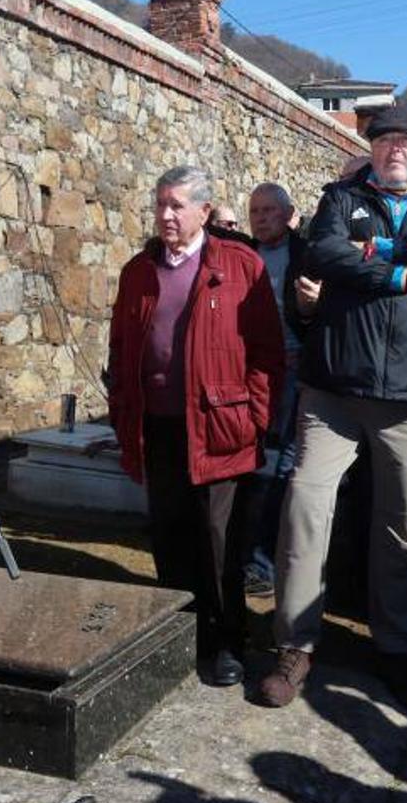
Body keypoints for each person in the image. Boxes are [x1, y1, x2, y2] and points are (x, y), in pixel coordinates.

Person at [260, 105, 407, 708]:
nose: (394, 151)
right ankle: (295, 642)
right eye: (384, 141)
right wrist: (402, 277)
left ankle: (395, 645)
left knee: (400, 528)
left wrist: (379, 245)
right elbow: (323, 254)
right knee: (305, 507)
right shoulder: (341, 196)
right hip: (333, 388)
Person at [106, 166, 284, 687]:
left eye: (177, 205)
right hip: (158, 425)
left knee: (219, 540)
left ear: (204, 211)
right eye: (160, 203)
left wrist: (255, 416)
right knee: (169, 534)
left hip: (220, 426)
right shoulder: (138, 270)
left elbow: (268, 353)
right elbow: (121, 349)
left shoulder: (240, 265)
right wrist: (122, 411)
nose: (166, 214)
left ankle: (227, 641)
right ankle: (178, 636)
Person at [241, 182, 319, 597]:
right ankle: (250, 556)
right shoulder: (239, 255)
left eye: (271, 210)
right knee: (252, 469)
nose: (262, 217)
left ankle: (265, 563)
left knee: (283, 471)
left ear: (289, 215)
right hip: (249, 374)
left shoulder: (307, 254)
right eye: (255, 211)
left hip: (293, 375)